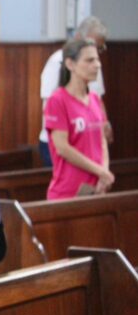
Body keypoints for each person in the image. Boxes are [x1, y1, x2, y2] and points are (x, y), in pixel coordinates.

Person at [44, 38, 113, 199]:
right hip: (68, 191)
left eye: (97, 59)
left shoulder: (95, 99)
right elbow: (62, 148)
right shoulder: (58, 100)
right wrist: (100, 171)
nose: (97, 65)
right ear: (70, 64)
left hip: (96, 188)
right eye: (89, 60)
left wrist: (104, 173)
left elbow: (102, 141)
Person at [39, 16, 109, 166]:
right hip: (61, 141)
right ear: (78, 37)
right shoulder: (57, 61)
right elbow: (48, 105)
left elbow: (98, 98)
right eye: (92, 44)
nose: (95, 60)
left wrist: (104, 123)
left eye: (99, 48)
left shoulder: (95, 65)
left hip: (88, 142)